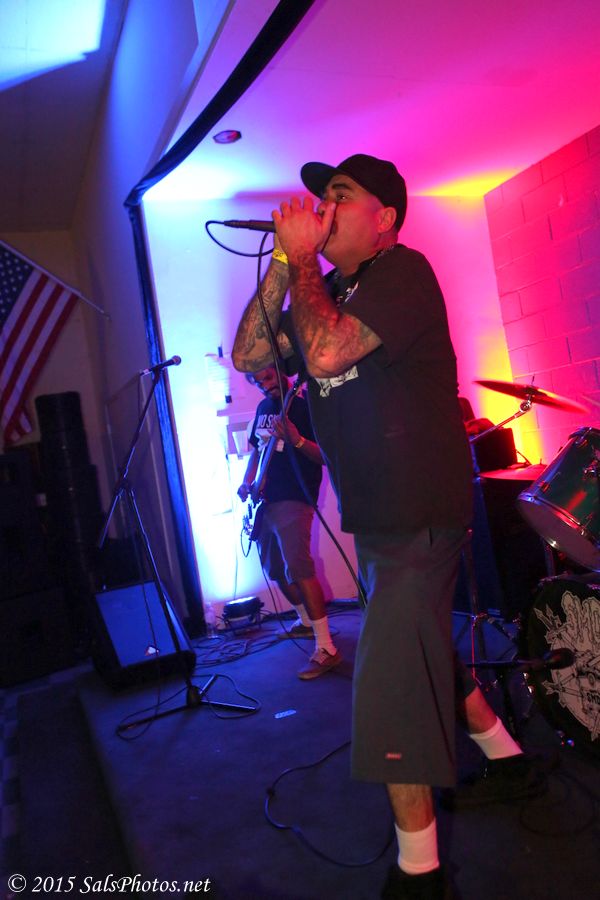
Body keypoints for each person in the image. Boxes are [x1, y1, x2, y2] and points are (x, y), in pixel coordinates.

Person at [232, 155, 545, 899]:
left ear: (385, 219)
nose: (324, 205)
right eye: (321, 196)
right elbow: (250, 354)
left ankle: (420, 874)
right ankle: (508, 759)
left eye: (341, 195)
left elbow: (328, 353)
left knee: (393, 680)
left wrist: (303, 263)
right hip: (377, 519)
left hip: (419, 511)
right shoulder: (322, 290)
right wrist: (285, 261)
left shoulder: (404, 272)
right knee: (422, 646)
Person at [238, 364, 341, 679]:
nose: (264, 385)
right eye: (257, 382)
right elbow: (256, 451)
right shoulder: (263, 408)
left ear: (281, 370)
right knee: (275, 571)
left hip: (294, 498)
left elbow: (327, 455)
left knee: (299, 569)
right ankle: (305, 621)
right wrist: (247, 481)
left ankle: (326, 647)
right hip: (264, 502)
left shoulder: (306, 405)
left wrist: (296, 440)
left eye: (267, 377)